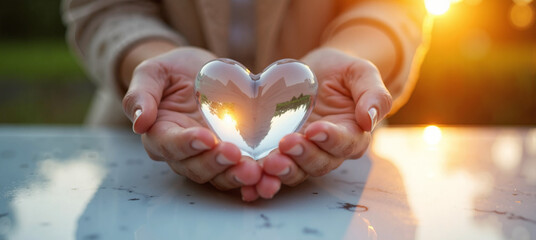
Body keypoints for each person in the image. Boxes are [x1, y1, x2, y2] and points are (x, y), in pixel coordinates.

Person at [62, 0, 428, 201]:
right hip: (143, 150)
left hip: (336, 134)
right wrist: (152, 59)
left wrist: (349, 54)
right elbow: (102, 6)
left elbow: (397, 5)